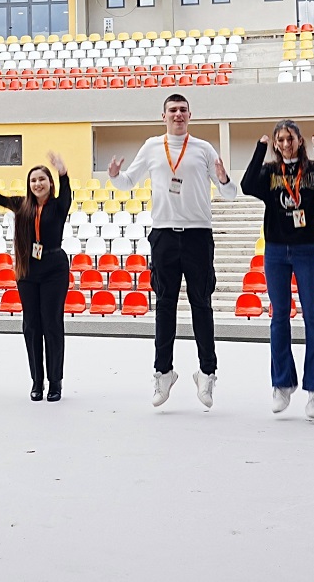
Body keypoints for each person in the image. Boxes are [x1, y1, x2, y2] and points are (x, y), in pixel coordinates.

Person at [108, 93, 237, 410]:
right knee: (165, 306)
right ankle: (163, 373)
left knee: (201, 305)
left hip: (198, 235)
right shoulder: (152, 146)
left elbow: (230, 193)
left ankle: (207, 373)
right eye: (172, 110)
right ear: (163, 115)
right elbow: (128, 182)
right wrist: (114, 175)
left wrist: (223, 178)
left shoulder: (203, 149)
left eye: (183, 110)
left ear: (190, 115)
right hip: (164, 235)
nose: (178, 114)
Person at [241, 121, 314, 420]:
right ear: (276, 144)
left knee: (312, 317)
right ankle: (282, 383)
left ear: (300, 140)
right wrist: (260, 149)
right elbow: (247, 185)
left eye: (291, 138)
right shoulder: (269, 172)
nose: (286, 144)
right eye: (281, 140)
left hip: (307, 249)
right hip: (275, 251)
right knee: (279, 317)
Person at [0, 152, 72, 402]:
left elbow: (67, 192)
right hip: (28, 270)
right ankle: (37, 381)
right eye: (33, 180)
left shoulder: (59, 205)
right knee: (31, 325)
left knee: (52, 324)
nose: (37, 184)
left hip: (54, 268)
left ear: (50, 182)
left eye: (42, 179)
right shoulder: (22, 205)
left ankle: (55, 381)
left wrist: (63, 173)